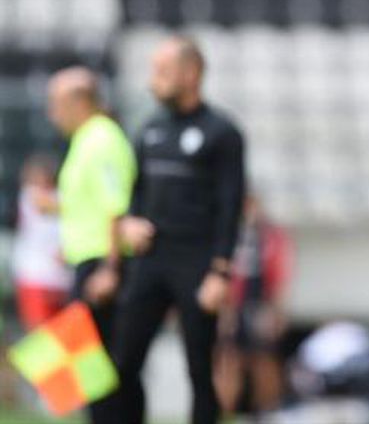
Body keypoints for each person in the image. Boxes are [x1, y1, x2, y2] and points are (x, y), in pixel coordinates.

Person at [114, 36, 246, 424]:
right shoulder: (150, 128)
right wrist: (129, 222)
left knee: (200, 371)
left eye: (162, 72)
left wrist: (220, 272)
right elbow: (136, 193)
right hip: (150, 260)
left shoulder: (222, 132)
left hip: (197, 264)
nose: (152, 81)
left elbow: (230, 206)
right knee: (123, 361)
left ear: (191, 74)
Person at [45, 66, 137, 424]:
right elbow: (91, 204)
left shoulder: (102, 139)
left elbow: (116, 206)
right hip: (88, 259)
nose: (52, 114)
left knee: (98, 366)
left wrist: (110, 268)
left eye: (56, 104)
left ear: (79, 101)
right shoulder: (87, 139)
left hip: (102, 265)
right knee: (90, 368)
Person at [215, 193, 293, 417]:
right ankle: (225, 413)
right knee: (228, 360)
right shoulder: (225, 233)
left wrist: (276, 308)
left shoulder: (269, 235)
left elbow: (279, 272)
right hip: (232, 306)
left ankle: (268, 413)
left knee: (263, 361)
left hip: (258, 304)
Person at [10, 154, 70, 330]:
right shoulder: (29, 195)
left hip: (62, 279)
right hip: (36, 276)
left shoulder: (62, 196)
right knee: (38, 333)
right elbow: (44, 205)